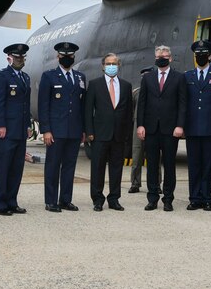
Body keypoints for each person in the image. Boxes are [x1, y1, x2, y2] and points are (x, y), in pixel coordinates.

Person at [136, 45, 187, 212]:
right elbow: (141, 103)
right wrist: (140, 125)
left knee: (170, 165)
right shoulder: (148, 78)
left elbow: (182, 104)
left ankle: (168, 199)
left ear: (170, 58)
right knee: (151, 165)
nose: (162, 58)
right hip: (151, 129)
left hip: (170, 129)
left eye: (165, 56)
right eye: (159, 56)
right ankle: (152, 198)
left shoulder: (179, 78)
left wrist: (180, 125)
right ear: (155, 58)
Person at [38, 41, 86, 212]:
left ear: (74, 57)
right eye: (64, 55)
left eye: (70, 55)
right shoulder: (49, 76)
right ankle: (51, 201)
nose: (67, 58)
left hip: (74, 130)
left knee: (69, 166)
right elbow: (43, 105)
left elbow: (82, 106)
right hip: (56, 131)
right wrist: (46, 130)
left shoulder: (80, 77)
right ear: (58, 56)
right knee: (52, 165)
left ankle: (65, 199)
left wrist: (83, 129)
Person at [85, 53, 133, 211]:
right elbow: (88, 110)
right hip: (99, 134)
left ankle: (114, 199)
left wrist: (126, 134)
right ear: (103, 66)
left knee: (116, 168)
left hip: (118, 135)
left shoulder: (126, 86)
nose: (111, 66)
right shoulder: (94, 84)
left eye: (114, 63)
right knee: (97, 168)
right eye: (108, 63)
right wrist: (89, 131)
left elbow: (128, 112)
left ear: (119, 65)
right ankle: (97, 199)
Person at [0, 43, 33, 215]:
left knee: (16, 169)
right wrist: (0, 125)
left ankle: (12, 201)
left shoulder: (25, 78)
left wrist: (28, 124)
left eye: (22, 57)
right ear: (9, 58)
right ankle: (0, 204)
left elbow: (26, 104)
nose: (19, 60)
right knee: (3, 168)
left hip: (20, 130)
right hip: (5, 131)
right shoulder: (1, 76)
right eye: (16, 57)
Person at [183, 40, 211, 211]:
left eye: (203, 54)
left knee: (208, 165)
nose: (200, 57)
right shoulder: (187, 76)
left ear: (209, 56)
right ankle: (194, 198)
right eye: (197, 55)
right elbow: (183, 103)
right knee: (194, 164)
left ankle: (207, 198)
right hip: (192, 127)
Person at [127, 66, 153, 193]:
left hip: (153, 127)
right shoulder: (136, 92)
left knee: (154, 158)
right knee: (136, 156)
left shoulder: (157, 92)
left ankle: (156, 183)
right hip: (138, 127)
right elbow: (131, 110)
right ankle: (135, 183)